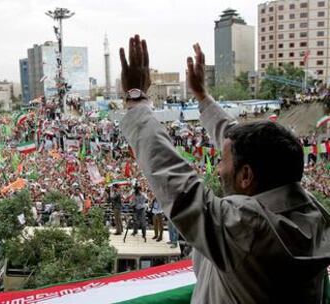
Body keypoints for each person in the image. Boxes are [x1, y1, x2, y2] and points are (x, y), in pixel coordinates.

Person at [119, 35, 330, 303]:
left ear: (246, 176)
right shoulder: (311, 212)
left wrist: (136, 101)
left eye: (223, 161)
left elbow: (178, 186)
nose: (218, 169)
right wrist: (203, 98)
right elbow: (238, 140)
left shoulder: (247, 228)